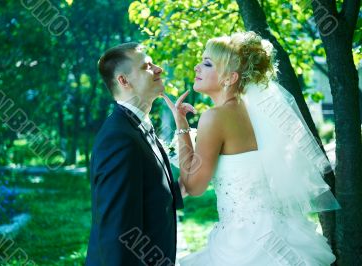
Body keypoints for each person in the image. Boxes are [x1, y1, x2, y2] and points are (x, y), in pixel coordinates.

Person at [163, 32, 340, 265]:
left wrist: (182, 127)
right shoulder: (256, 114)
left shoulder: (215, 118)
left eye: (207, 63)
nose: (197, 67)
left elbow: (194, 187)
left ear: (230, 77)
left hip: (242, 242)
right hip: (281, 233)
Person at [85, 42, 184, 266]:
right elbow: (118, 230)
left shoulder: (137, 127)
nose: (158, 69)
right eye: (147, 66)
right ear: (124, 80)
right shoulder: (119, 138)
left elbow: (149, 193)